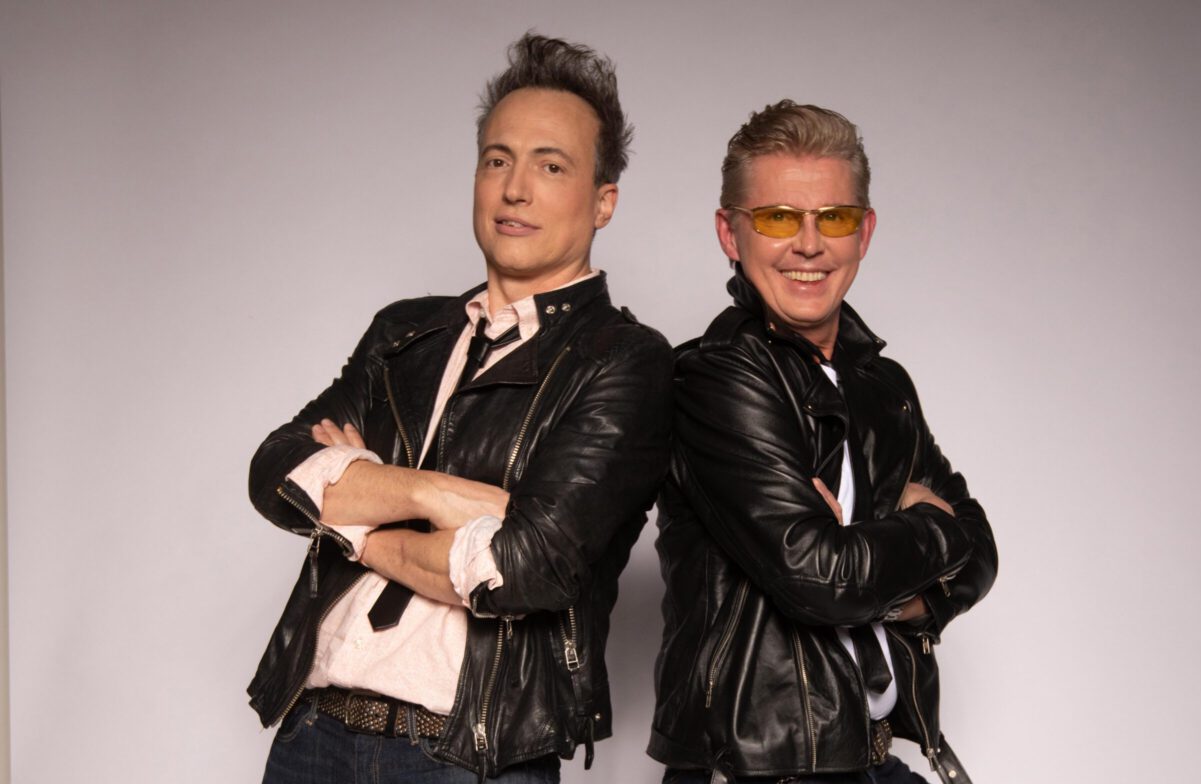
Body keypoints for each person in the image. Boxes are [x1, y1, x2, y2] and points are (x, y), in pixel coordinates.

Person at [246, 33, 673, 783]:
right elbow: (277, 471)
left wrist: (354, 520)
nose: (515, 189)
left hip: (469, 756)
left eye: (550, 166)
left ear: (603, 201)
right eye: (497, 160)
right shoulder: (404, 334)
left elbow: (527, 566)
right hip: (312, 737)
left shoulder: (623, 361)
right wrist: (435, 495)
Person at [648, 101, 997, 784]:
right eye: (778, 218)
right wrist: (932, 528)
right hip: (761, 767)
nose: (808, 245)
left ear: (864, 232)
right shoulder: (715, 376)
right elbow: (823, 579)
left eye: (832, 218)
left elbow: (982, 551)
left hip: (871, 757)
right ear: (729, 232)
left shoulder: (882, 384)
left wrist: (880, 566)